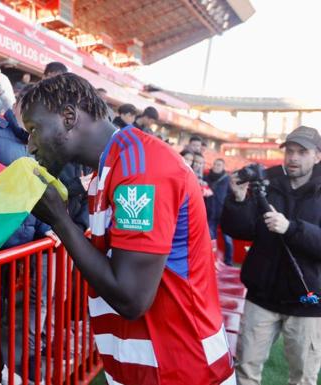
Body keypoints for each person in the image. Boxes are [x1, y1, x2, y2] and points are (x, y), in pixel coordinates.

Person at [22, 73, 234, 385]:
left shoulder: (140, 167)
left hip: (179, 367)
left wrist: (60, 220)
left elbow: (131, 298)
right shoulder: (107, 171)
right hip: (149, 366)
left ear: (68, 117)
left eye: (34, 129)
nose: (30, 145)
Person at [221, 126, 321, 385]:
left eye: (302, 152)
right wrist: (239, 199)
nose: (294, 158)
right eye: (290, 151)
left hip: (307, 302)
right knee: (245, 372)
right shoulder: (268, 181)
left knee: (303, 379)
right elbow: (240, 229)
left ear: (317, 156)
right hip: (261, 297)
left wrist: (291, 228)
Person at [0, 107, 54, 385]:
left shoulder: (35, 139)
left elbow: (36, 191)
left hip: (18, 241)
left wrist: (44, 228)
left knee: (0, 308)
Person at [204, 159, 233, 265]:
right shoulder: (206, 178)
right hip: (210, 212)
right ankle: (212, 261)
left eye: (219, 165)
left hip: (223, 213)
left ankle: (228, 262)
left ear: (223, 166)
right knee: (211, 238)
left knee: (228, 239)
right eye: (215, 164)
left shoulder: (227, 179)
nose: (216, 166)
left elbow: (231, 194)